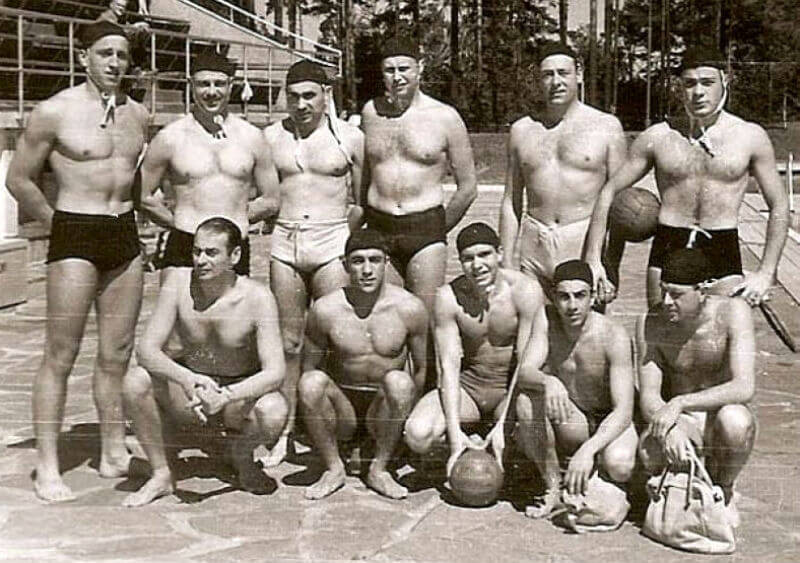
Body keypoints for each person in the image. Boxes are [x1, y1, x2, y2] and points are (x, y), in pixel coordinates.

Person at [5, 20, 149, 502]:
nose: (114, 63)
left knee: (117, 352)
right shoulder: (54, 111)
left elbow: (134, 182)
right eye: (105, 53)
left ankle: (112, 449)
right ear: (82, 56)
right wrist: (57, 224)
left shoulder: (138, 115)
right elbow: (19, 179)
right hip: (75, 231)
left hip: (122, 234)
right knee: (60, 354)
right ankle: (47, 465)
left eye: (122, 55)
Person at [584, 45, 789, 309]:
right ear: (679, 87)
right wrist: (593, 258)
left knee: (721, 338)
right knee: (661, 338)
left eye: (707, 82)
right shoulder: (658, 137)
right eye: (690, 83)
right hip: (669, 244)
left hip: (721, 246)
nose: (699, 92)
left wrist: (765, 273)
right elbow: (608, 192)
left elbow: (780, 205)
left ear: (724, 82)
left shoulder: (750, 136)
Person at [122, 218, 288, 507]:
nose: (201, 260)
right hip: (191, 393)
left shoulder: (257, 297)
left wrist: (226, 396)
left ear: (234, 256)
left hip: (235, 399)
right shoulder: (178, 284)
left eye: (212, 253)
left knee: (274, 409)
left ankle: (241, 454)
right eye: (197, 251)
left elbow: (275, 372)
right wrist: (187, 379)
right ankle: (161, 473)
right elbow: (146, 350)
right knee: (135, 381)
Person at [263, 59, 364, 467]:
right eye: (294, 95)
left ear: (326, 95)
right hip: (286, 241)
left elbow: (360, 199)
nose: (302, 103)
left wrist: (340, 238)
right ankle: (285, 431)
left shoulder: (350, 138)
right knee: (288, 344)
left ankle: (338, 430)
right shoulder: (270, 137)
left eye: (310, 95)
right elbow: (265, 194)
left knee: (336, 340)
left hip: (332, 239)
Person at [404, 223, 547, 477]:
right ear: (460, 262)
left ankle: (496, 438)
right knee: (418, 434)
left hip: (509, 392)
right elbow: (447, 367)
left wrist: (504, 425)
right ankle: (465, 441)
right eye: (468, 259)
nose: (477, 265)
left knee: (529, 436)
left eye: (484, 255)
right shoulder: (449, 298)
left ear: (500, 253)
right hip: (470, 390)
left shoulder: (525, 291)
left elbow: (525, 363)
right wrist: (454, 433)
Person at [298, 229, 428, 500]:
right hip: (343, 408)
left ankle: (379, 468)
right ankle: (333, 467)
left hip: (383, 408)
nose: (367, 270)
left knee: (400, 381)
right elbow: (309, 367)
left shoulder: (409, 308)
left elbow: (421, 370)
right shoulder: (326, 310)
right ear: (345, 265)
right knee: (310, 383)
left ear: (386, 263)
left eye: (374, 260)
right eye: (358, 261)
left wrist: (404, 418)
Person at [360, 35, 477, 320]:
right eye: (390, 70)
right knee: (386, 318)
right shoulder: (371, 113)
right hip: (379, 224)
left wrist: (437, 228)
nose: (397, 77)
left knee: (424, 320)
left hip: (424, 227)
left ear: (420, 68)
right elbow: (363, 178)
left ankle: (427, 368)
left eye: (404, 69)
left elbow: (468, 187)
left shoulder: (445, 117)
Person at [500, 43, 627, 299]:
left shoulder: (606, 127)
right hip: (534, 251)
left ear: (578, 74)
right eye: (548, 75)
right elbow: (511, 202)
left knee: (585, 336)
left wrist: (608, 264)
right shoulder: (522, 130)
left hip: (581, 249)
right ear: (539, 80)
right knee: (530, 334)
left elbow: (620, 206)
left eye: (563, 73)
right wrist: (506, 261)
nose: (555, 81)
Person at [637, 248, 756, 518]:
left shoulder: (733, 313)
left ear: (702, 290)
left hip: (718, 415)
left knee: (737, 421)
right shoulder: (651, 322)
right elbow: (649, 396)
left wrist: (679, 403)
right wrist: (672, 428)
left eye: (677, 294)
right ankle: (682, 488)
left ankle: (723, 488)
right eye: (664, 290)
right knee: (650, 452)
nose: (666, 301)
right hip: (683, 420)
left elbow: (744, 386)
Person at [138, 50, 279, 277]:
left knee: (232, 311)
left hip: (233, 245)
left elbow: (271, 199)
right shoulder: (170, 136)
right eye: (204, 84)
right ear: (190, 84)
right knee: (180, 310)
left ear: (231, 85)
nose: (212, 92)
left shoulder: (252, 137)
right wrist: (178, 222)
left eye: (219, 84)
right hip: (186, 240)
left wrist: (230, 221)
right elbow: (141, 194)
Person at [516, 260, 637, 517]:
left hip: (611, 423)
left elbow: (624, 410)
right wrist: (548, 381)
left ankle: (599, 479)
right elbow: (525, 371)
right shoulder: (546, 320)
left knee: (620, 465)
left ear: (593, 297)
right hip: (577, 419)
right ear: (553, 298)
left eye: (580, 296)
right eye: (564, 297)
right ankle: (552, 488)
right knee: (526, 401)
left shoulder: (613, 335)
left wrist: (588, 450)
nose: (572, 305)